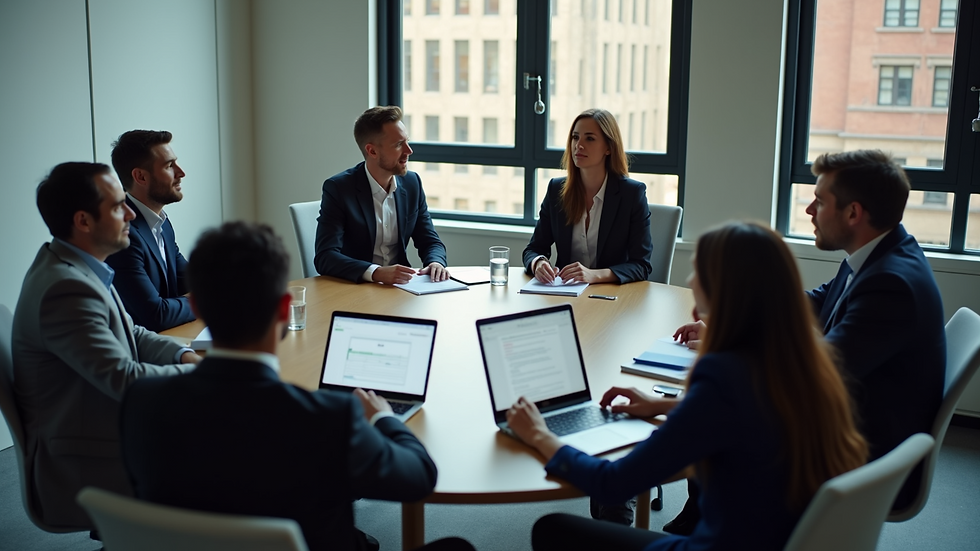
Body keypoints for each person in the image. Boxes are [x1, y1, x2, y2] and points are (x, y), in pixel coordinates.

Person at [508, 221, 868, 551]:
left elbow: (614, 484)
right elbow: (747, 414)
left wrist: (540, 435)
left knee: (552, 528)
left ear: (724, 287)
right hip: (779, 536)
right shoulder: (799, 357)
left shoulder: (723, 373)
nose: (691, 280)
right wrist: (662, 404)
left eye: (699, 270)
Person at [120, 222, 473, 551]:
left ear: (195, 305)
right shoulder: (331, 418)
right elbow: (419, 477)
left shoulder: (141, 400)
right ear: (285, 308)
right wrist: (383, 418)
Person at [669, 150, 946, 533]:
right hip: (846, 421)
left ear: (853, 213)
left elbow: (818, 372)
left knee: (723, 418)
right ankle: (700, 525)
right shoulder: (879, 255)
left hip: (860, 452)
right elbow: (812, 303)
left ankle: (703, 532)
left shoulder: (891, 284)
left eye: (820, 201)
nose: (809, 211)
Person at [11, 162, 200, 529]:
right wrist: (207, 375)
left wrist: (185, 355)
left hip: (103, 427)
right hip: (88, 461)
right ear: (83, 221)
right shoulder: (64, 289)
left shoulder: (77, 264)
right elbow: (124, 378)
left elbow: (134, 334)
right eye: (117, 206)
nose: (131, 212)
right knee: (237, 455)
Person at [314, 105, 449, 285]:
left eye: (407, 141)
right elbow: (325, 257)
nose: (409, 151)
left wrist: (435, 262)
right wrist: (376, 273)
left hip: (401, 291)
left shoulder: (412, 183)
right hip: (355, 289)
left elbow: (430, 241)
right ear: (372, 151)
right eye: (399, 144)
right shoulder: (338, 189)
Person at [523, 109, 652, 284]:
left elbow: (641, 265)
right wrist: (538, 263)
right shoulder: (556, 190)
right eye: (575, 137)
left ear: (608, 147)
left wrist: (595, 275)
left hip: (611, 298)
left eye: (589, 138)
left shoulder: (631, 194)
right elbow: (534, 249)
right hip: (566, 294)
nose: (579, 145)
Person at [104, 130, 195, 331]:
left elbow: (190, 281)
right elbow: (156, 315)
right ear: (140, 177)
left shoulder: (161, 223)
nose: (181, 173)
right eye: (169, 166)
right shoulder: (123, 234)